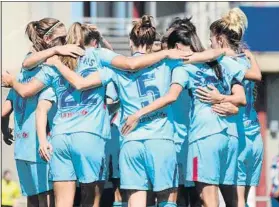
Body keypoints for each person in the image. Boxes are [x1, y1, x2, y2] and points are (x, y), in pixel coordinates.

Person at [26, 15, 232, 207]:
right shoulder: (168, 61)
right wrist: (225, 52)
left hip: (127, 140)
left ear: (131, 42)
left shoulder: (107, 69)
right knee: (166, 200)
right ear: (153, 43)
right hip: (159, 139)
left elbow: (74, 83)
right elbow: (204, 60)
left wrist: (53, 59)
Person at [121, 18, 262, 207]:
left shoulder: (181, 67)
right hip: (229, 136)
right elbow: (244, 92)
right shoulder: (220, 60)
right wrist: (225, 99)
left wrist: (138, 114)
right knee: (232, 200)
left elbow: (171, 95)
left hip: (194, 138)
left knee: (199, 198)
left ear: (177, 46)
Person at [1, 18, 83, 207]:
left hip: (21, 147)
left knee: (32, 199)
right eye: (61, 39)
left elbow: (4, 112)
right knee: (46, 199)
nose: (64, 44)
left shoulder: (23, 72)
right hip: (41, 146)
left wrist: (5, 130)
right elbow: (28, 94)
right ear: (48, 39)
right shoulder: (47, 70)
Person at [196, 8, 263, 207]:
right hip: (255, 136)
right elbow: (256, 76)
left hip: (239, 135)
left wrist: (218, 98)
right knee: (240, 200)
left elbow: (238, 97)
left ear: (220, 39)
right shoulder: (247, 58)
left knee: (236, 201)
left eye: (211, 38)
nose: (209, 43)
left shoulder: (226, 62)